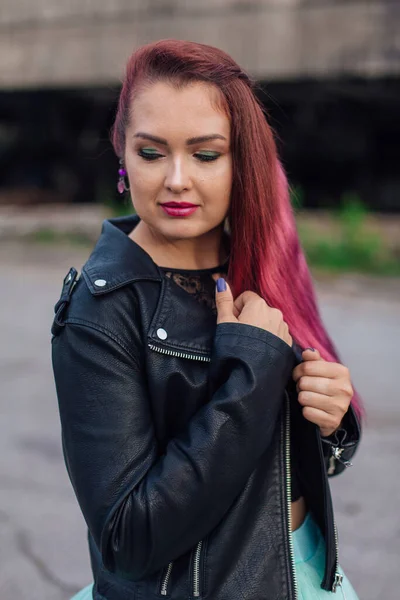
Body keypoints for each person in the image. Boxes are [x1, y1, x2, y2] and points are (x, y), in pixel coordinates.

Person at [51, 39, 362, 600]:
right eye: (151, 153)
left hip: (307, 571)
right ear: (122, 153)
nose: (176, 180)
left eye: (205, 154)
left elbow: (293, 465)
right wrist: (252, 374)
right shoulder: (99, 312)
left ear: (240, 159)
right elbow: (128, 538)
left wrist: (333, 422)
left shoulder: (262, 264)